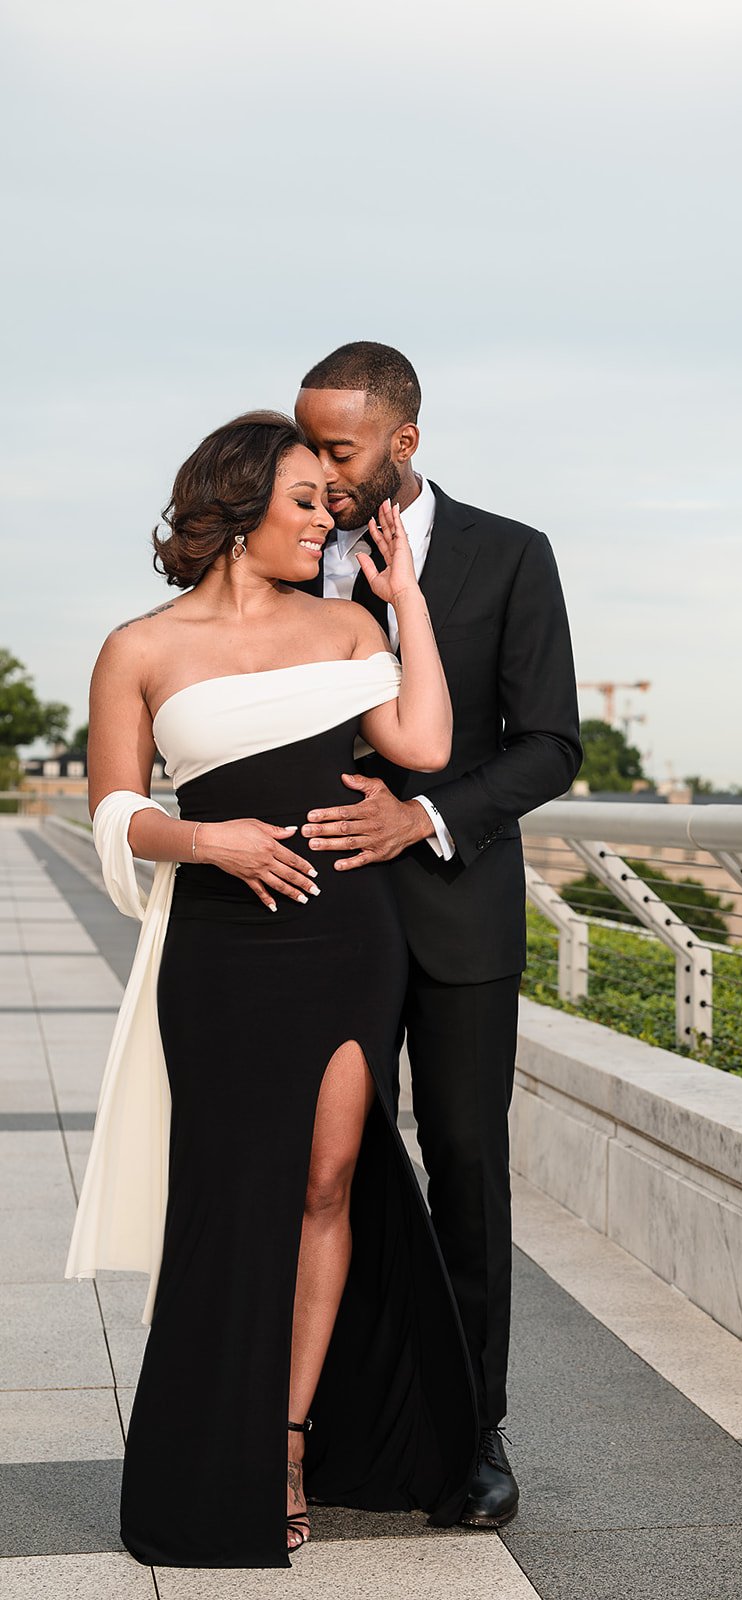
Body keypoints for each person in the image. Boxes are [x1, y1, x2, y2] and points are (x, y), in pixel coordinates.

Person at [66, 411, 477, 1568]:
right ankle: (210, 1449)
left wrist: (408, 602)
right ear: (238, 506)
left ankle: (287, 1441)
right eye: (305, 500)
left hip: (347, 935)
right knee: (227, 1197)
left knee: (328, 1182)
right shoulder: (138, 648)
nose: (326, 520)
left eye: (329, 503)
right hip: (219, 948)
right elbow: (114, 810)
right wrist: (209, 842)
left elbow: (425, 743)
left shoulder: (349, 624)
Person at [294, 344, 582, 1527]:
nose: (319, 469)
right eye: (307, 443)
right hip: (320, 913)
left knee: (466, 1166)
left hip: (460, 912)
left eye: (339, 447)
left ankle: (474, 1429)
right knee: (326, 1170)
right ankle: (330, 1418)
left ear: (402, 441)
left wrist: (422, 816)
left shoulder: (510, 554)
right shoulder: (283, 547)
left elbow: (550, 744)